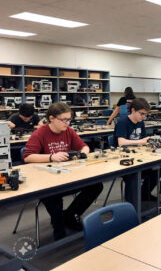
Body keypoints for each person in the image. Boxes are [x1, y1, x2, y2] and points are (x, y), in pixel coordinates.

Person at [23, 102, 103, 240]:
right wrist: (51, 157)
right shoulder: (40, 133)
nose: (67, 123)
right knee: (53, 195)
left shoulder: (69, 131)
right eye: (64, 120)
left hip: (67, 177)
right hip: (47, 181)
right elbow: (28, 156)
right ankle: (58, 225)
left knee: (96, 186)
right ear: (52, 118)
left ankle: (70, 215)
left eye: (69, 119)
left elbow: (84, 147)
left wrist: (82, 153)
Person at [113, 98, 158, 203]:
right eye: (141, 114)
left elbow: (143, 140)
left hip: (138, 155)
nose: (143, 117)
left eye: (145, 114)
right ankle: (131, 206)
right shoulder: (122, 122)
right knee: (133, 174)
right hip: (122, 159)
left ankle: (144, 194)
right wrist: (140, 141)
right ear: (133, 110)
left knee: (159, 167)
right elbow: (121, 142)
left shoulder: (140, 122)